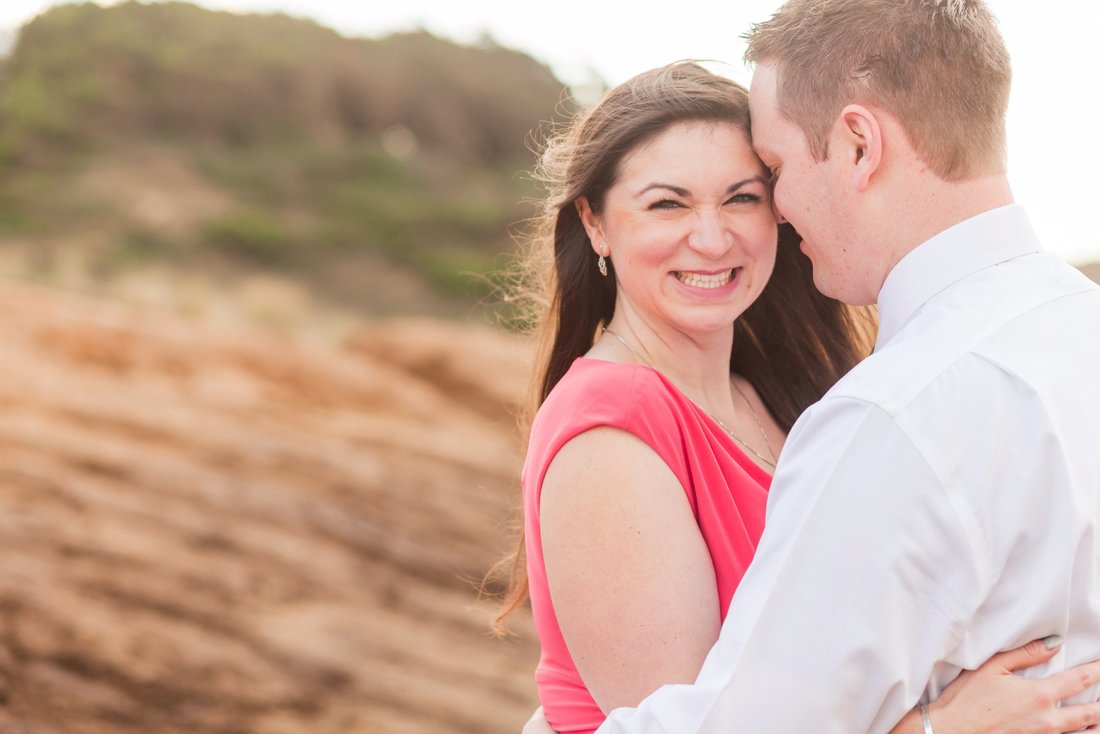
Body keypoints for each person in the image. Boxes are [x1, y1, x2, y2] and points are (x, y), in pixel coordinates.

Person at [500, 58, 1100, 734]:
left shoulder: (794, 391)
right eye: (667, 203)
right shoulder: (609, 432)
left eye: (743, 198)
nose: (711, 236)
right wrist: (939, 729)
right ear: (596, 223)